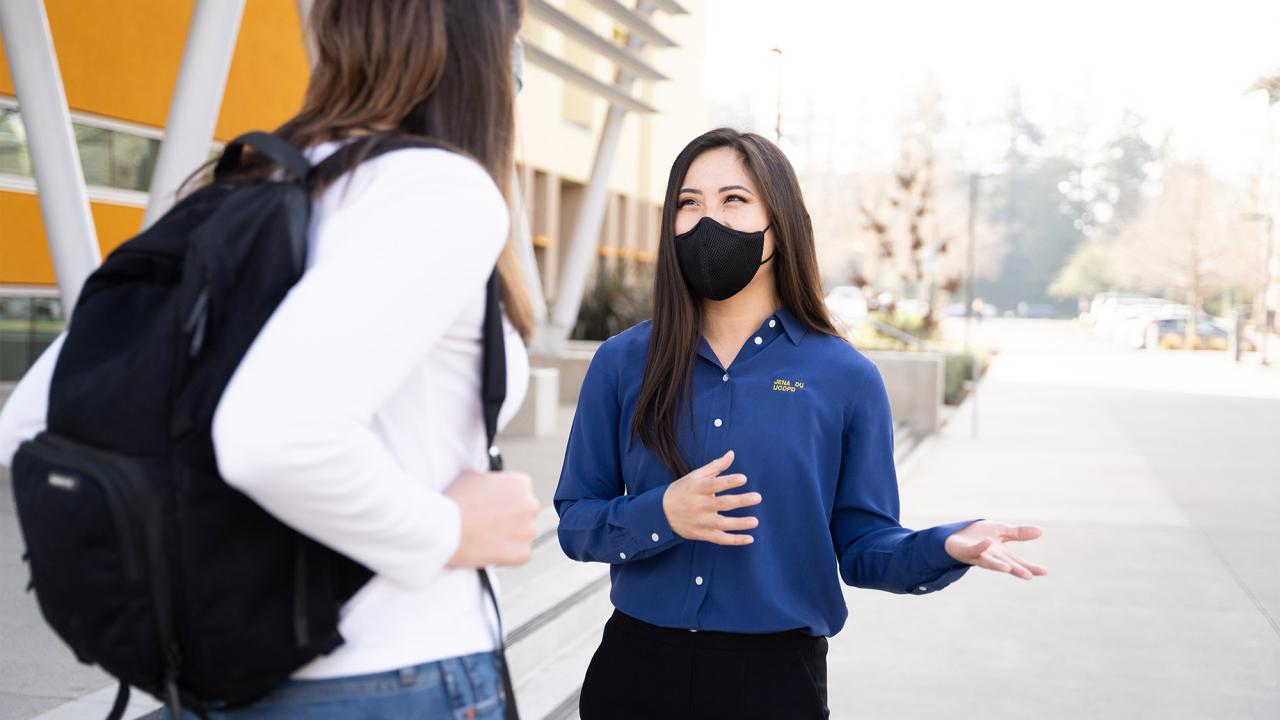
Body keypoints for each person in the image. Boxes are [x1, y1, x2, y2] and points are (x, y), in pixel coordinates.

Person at [0, 1, 538, 717]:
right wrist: (448, 531)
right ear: (485, 44)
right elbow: (271, 437)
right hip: (390, 677)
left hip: (226, 679)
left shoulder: (249, 184)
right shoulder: (436, 190)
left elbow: (31, 419)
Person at [553, 128, 1047, 720]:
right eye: (690, 203)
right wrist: (662, 515)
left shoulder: (844, 376)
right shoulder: (622, 362)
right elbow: (577, 522)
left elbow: (865, 547)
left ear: (779, 223)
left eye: (734, 199)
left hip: (774, 684)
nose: (708, 220)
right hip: (634, 673)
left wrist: (945, 546)